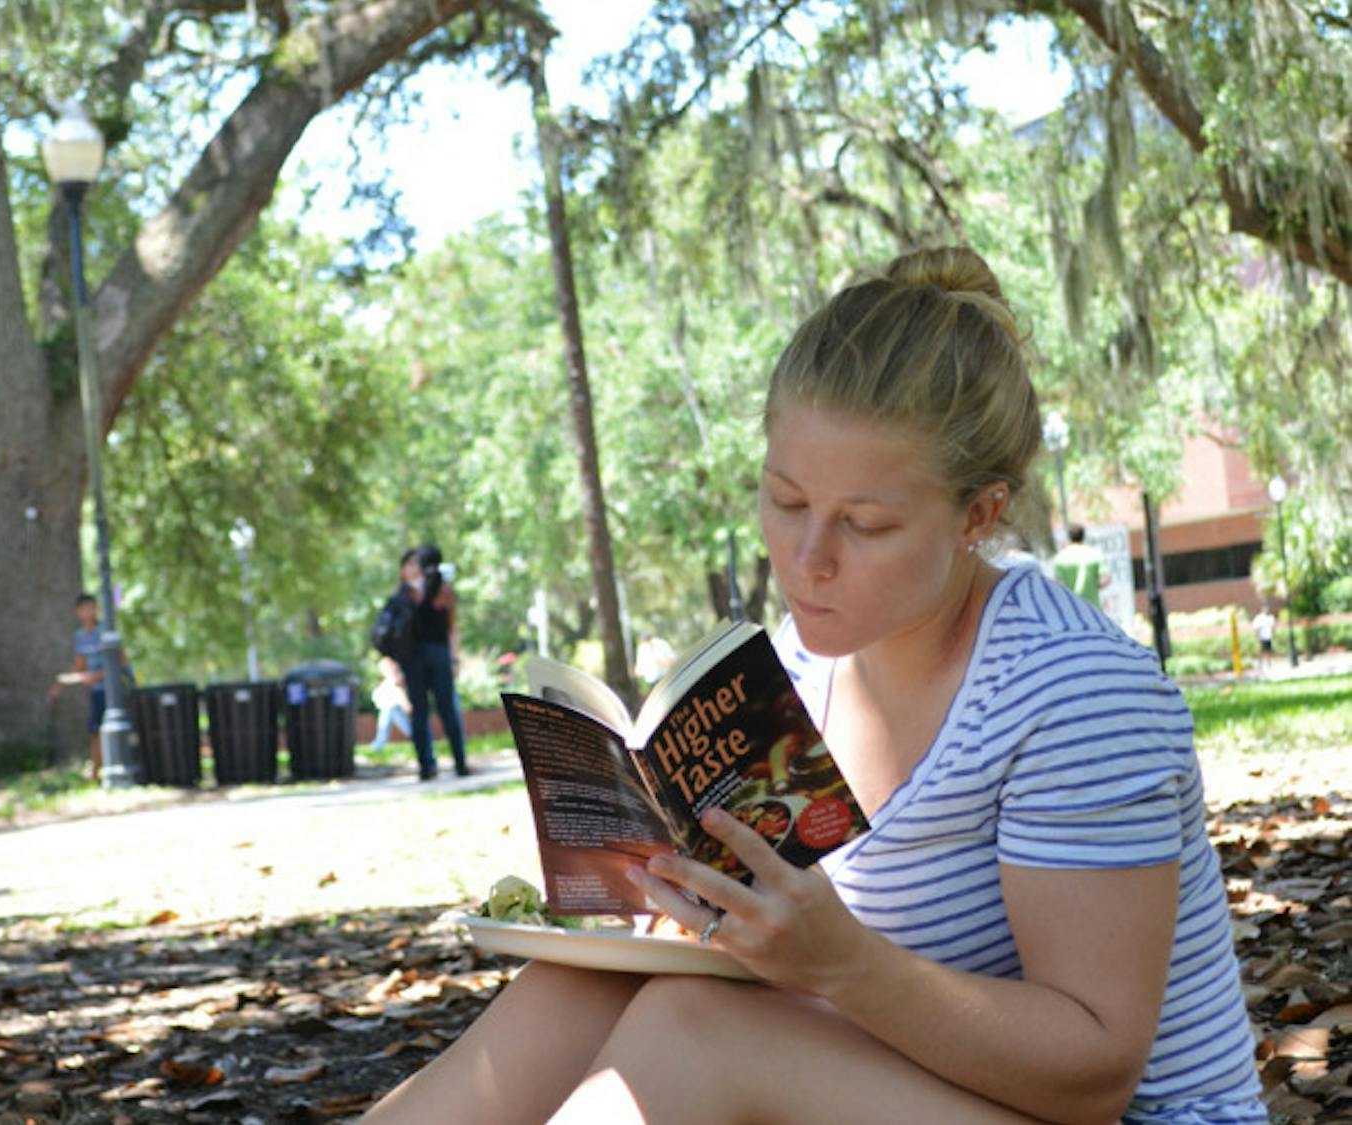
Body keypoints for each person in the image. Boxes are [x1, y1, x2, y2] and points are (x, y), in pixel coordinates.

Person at [361, 247, 1264, 1124]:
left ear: (979, 515)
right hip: (905, 1078)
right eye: (786, 500)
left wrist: (838, 963)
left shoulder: (1071, 688)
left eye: (864, 524)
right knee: (587, 979)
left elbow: (1096, 1073)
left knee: (696, 1033)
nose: (806, 558)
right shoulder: (799, 664)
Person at [397, 545, 470, 780]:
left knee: (430, 711)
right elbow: (452, 627)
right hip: (429, 655)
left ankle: (439, 764)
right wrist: (453, 658)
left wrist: (454, 658)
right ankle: (447, 764)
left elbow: (451, 626)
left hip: (424, 656)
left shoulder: (416, 592)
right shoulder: (434, 590)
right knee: (440, 710)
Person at [47, 592, 132, 783]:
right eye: (84, 609)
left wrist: (96, 675)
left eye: (92, 608)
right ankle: (96, 776)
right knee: (95, 731)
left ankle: (119, 769)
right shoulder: (80, 636)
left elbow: (121, 663)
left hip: (113, 689)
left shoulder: (105, 631)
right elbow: (80, 664)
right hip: (97, 690)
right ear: (78, 612)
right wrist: (59, 685)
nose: (89, 612)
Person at [1051, 523, 1109, 606]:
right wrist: (1092, 586)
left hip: (1072, 606)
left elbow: (1059, 583)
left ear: (1069, 537)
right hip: (1092, 606)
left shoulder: (1060, 557)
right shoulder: (1094, 554)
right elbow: (1105, 580)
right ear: (1083, 536)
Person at [368, 655, 412, 753]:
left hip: (393, 708)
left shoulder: (395, 679)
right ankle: (376, 748)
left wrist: (406, 704)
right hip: (387, 708)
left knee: (407, 728)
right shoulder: (388, 680)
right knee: (383, 729)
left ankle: (421, 741)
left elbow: (400, 692)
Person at [1251, 604, 1277, 673]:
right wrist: (1257, 638)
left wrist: (1273, 635)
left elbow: (1273, 627)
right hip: (1262, 638)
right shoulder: (1259, 618)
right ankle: (1260, 665)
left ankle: (1268, 665)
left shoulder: (1271, 617)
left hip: (1269, 637)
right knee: (1261, 652)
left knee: (1268, 651)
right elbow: (1256, 629)